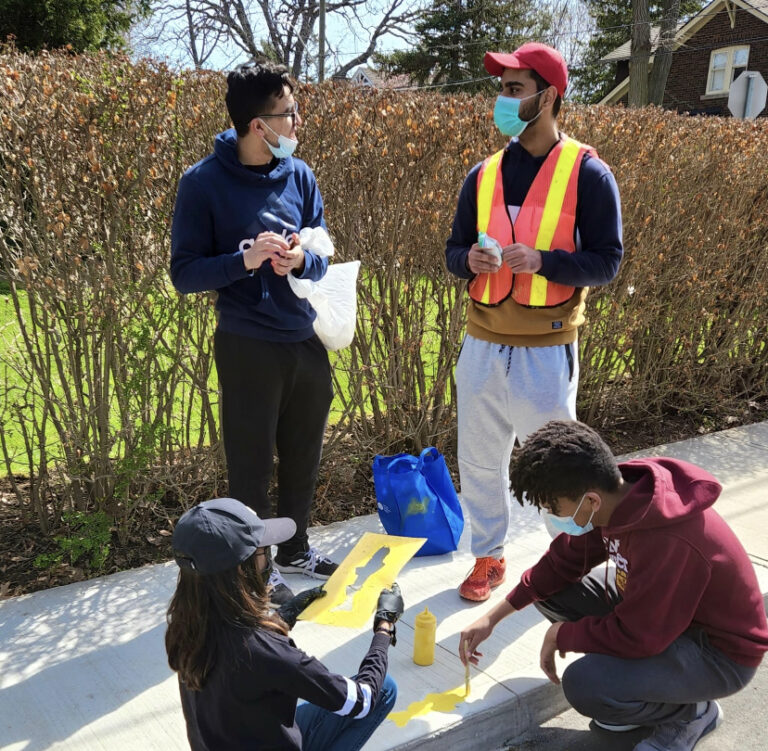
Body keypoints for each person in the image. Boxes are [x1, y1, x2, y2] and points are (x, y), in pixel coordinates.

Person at [459, 420, 768, 751]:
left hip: (718, 654)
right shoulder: (616, 496)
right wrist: (495, 615)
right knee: (553, 592)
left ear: (590, 500)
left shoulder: (666, 538)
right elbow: (560, 563)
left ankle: (690, 713)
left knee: (585, 684)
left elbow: (641, 635)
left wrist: (562, 635)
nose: (550, 516)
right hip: (667, 619)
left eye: (554, 509)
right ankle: (647, 683)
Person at [445, 42, 624, 601]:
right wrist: (466, 261)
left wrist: (546, 261)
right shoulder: (483, 174)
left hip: (546, 349)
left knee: (558, 467)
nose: (502, 99)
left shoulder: (590, 175)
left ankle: (569, 564)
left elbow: (607, 261)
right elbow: (453, 251)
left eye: (513, 88)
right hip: (481, 343)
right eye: (501, 87)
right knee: (476, 459)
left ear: (548, 96)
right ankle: (488, 558)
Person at [170, 60, 337, 604]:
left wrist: (299, 263)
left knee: (303, 454)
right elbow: (185, 273)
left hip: (304, 339)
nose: (297, 124)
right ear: (258, 125)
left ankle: (295, 550)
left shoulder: (301, 175)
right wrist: (242, 261)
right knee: (250, 464)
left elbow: (322, 251)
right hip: (245, 343)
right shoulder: (201, 183)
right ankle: (254, 567)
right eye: (289, 114)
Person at [166, 497, 403, 751]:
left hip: (228, 738)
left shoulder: (184, 625)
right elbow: (362, 701)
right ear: (240, 570)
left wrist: (286, 615)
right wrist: (384, 627)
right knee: (384, 689)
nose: (268, 559)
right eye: (262, 551)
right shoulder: (265, 652)